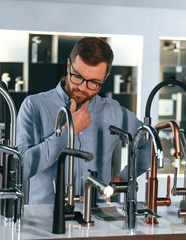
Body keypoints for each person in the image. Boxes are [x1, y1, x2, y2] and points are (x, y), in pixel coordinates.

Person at [17, 37, 151, 204]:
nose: (82, 87)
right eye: (77, 76)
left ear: (106, 77)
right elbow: (20, 169)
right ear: (68, 65)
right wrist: (67, 132)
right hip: (45, 219)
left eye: (94, 82)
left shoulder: (113, 112)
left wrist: (123, 179)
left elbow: (148, 143)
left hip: (96, 221)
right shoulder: (34, 106)